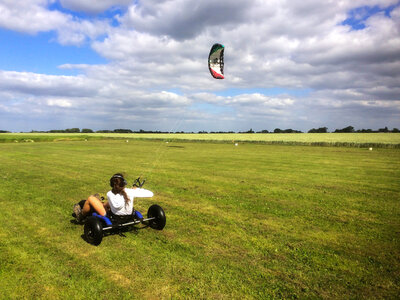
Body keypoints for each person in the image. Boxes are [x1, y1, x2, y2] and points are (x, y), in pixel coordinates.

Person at [73, 173, 153, 222]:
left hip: (114, 218)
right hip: (129, 216)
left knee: (91, 198)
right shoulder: (130, 191)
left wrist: (104, 205)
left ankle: (81, 216)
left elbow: (115, 205)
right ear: (123, 183)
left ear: (112, 184)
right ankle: (99, 203)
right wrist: (137, 189)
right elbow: (150, 194)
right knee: (104, 204)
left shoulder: (109, 194)